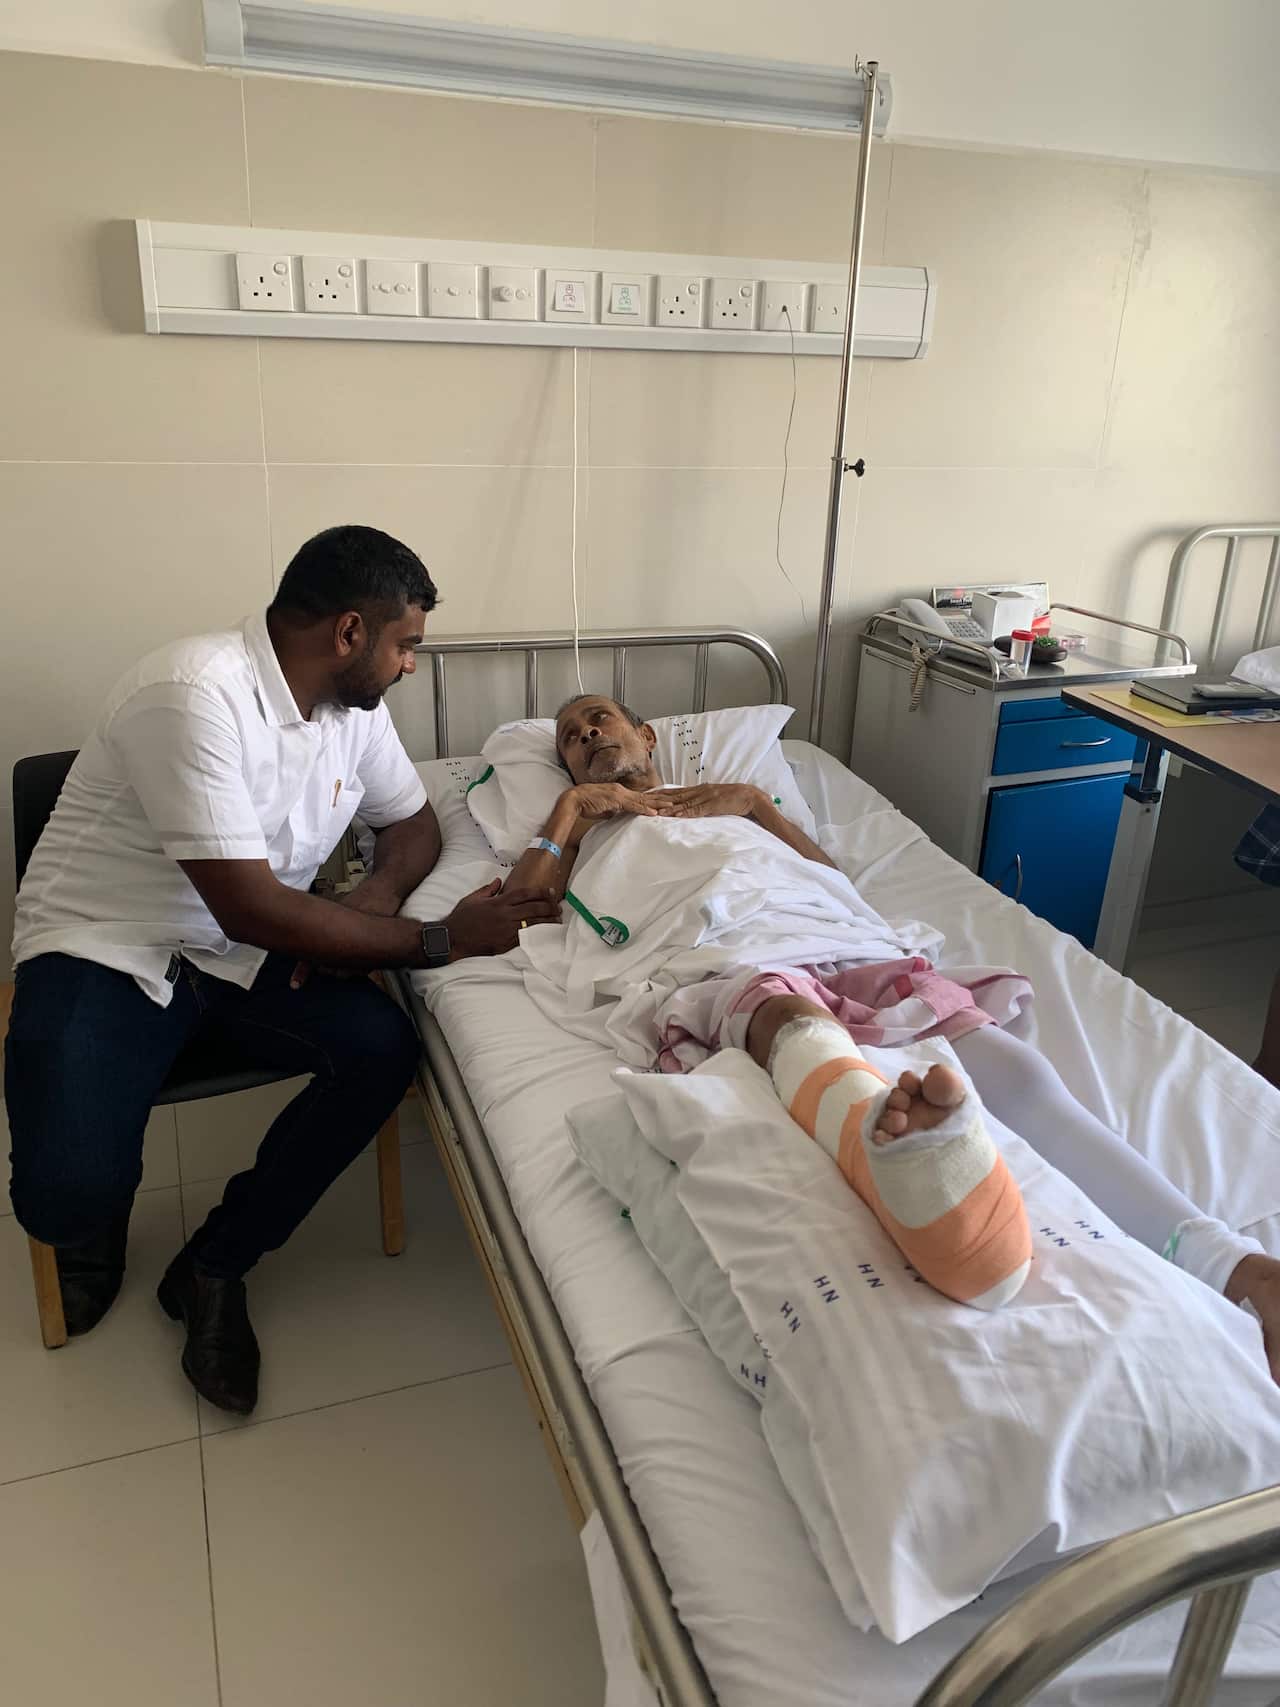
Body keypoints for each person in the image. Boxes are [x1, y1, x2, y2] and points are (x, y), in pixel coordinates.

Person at [502, 692, 1280, 1374]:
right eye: (570, 737)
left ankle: (1237, 1264)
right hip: (725, 959)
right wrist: (572, 813)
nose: (587, 734)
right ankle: (892, 1151)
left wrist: (749, 801)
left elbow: (830, 879)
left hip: (834, 935)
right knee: (786, 1016)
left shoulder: (726, 800)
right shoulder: (585, 831)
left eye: (599, 718)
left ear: (645, 733)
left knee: (1016, 1074)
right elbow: (517, 909)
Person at [6, 525, 556, 1414]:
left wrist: (371, 904)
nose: (411, 666)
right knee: (65, 1195)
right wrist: (438, 939)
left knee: (381, 1050)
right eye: (405, 643)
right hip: (110, 945)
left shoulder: (352, 712)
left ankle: (214, 1265)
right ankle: (92, 1211)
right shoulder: (190, 696)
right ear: (348, 633)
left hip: (240, 951)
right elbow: (252, 907)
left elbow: (412, 827)